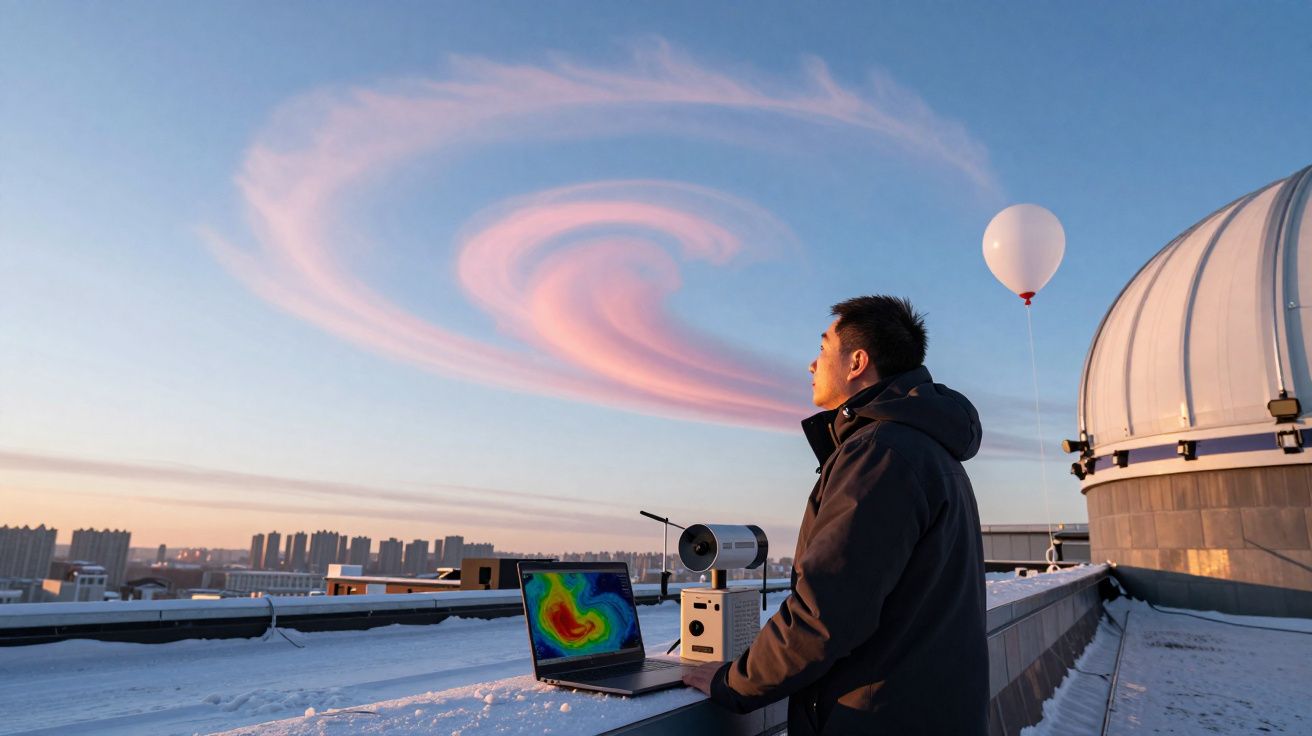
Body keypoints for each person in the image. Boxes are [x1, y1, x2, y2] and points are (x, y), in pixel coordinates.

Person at [683, 295, 988, 735]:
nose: (811, 364)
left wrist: (732, 681)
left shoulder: (880, 454)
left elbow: (825, 612)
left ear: (856, 362)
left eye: (823, 349)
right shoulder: (925, 449)